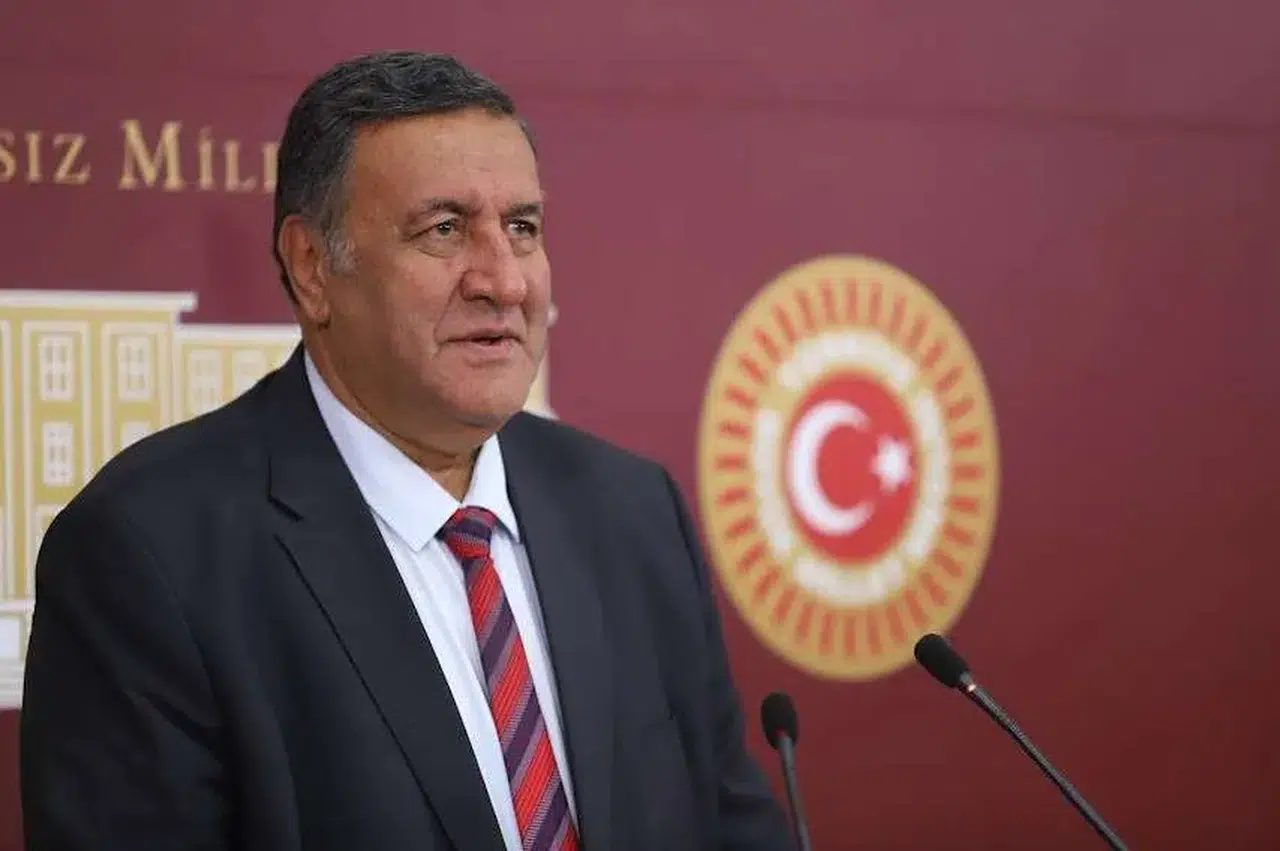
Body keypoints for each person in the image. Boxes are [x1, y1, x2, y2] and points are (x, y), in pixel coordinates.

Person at [19, 51, 795, 851]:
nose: (504, 281)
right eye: (444, 229)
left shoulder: (633, 512)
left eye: (522, 228)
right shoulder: (149, 556)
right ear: (313, 268)